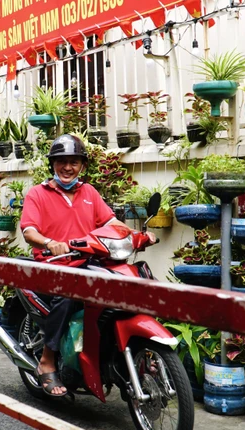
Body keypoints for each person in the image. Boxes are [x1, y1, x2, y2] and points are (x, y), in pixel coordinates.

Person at [18, 134, 154, 397]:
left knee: (132, 281)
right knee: (69, 297)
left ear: (82, 166)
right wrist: (50, 242)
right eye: (62, 162)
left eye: (74, 162)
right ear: (53, 165)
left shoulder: (89, 192)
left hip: (88, 263)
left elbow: (111, 223)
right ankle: (47, 360)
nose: (68, 167)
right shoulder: (38, 193)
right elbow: (29, 231)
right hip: (53, 265)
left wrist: (138, 236)